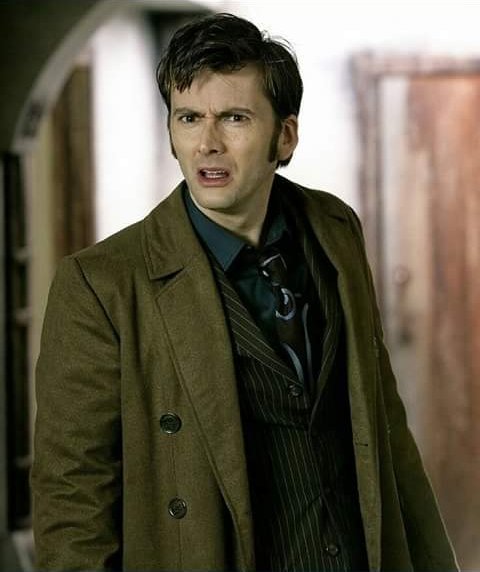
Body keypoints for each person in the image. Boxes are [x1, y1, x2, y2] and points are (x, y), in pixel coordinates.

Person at [31, 12, 458, 572]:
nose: (207, 144)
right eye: (189, 118)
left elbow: (384, 427)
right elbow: (72, 497)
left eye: (234, 118)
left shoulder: (334, 229)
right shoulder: (102, 284)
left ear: (285, 135)